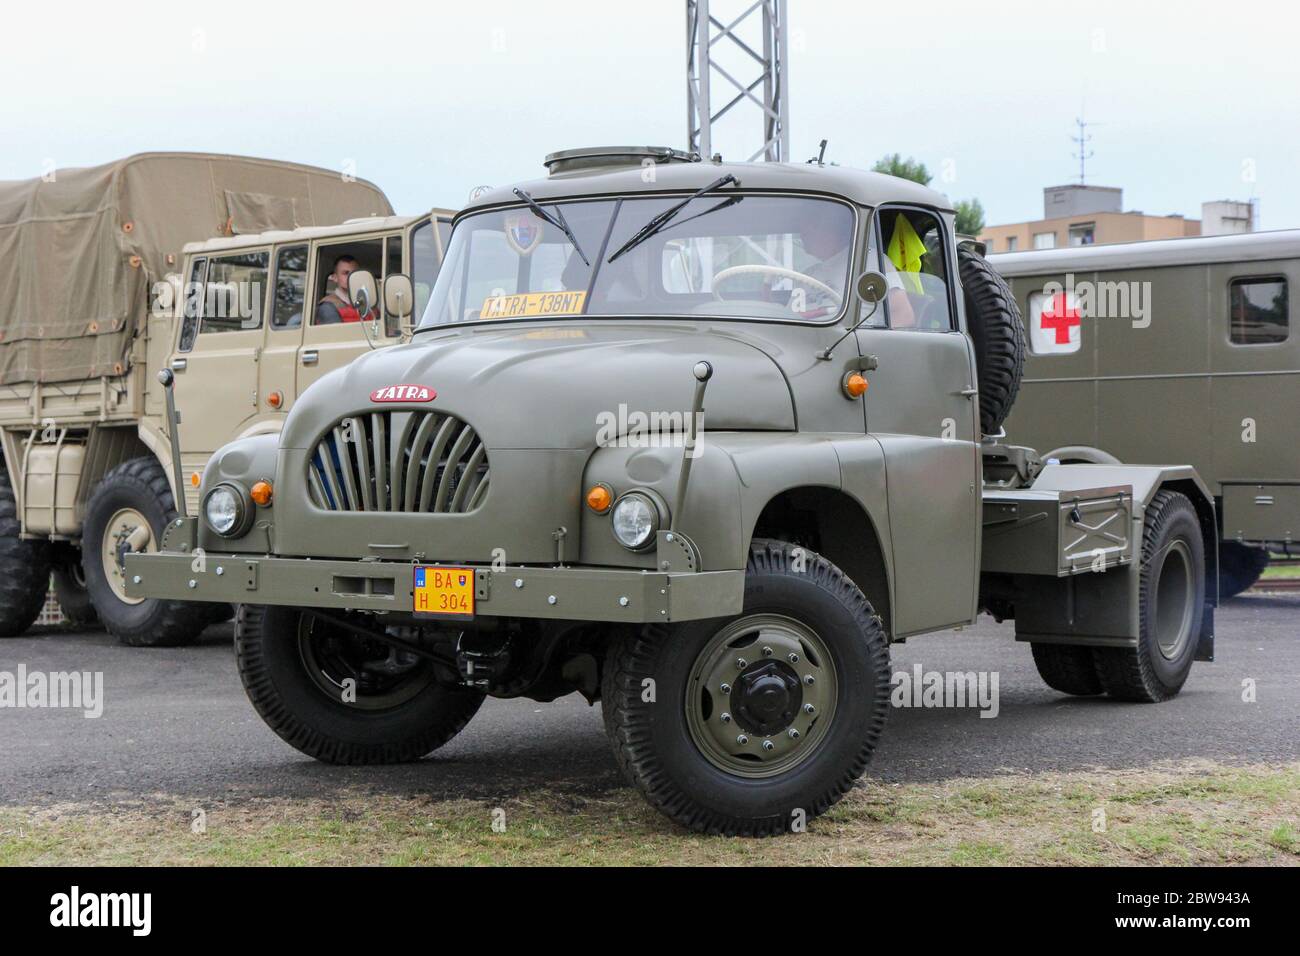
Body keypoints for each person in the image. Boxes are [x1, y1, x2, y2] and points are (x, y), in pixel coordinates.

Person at [315, 255, 376, 324]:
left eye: (354, 273)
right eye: (345, 273)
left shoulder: (370, 304)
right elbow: (336, 334)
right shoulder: (327, 306)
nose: (350, 276)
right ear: (335, 278)